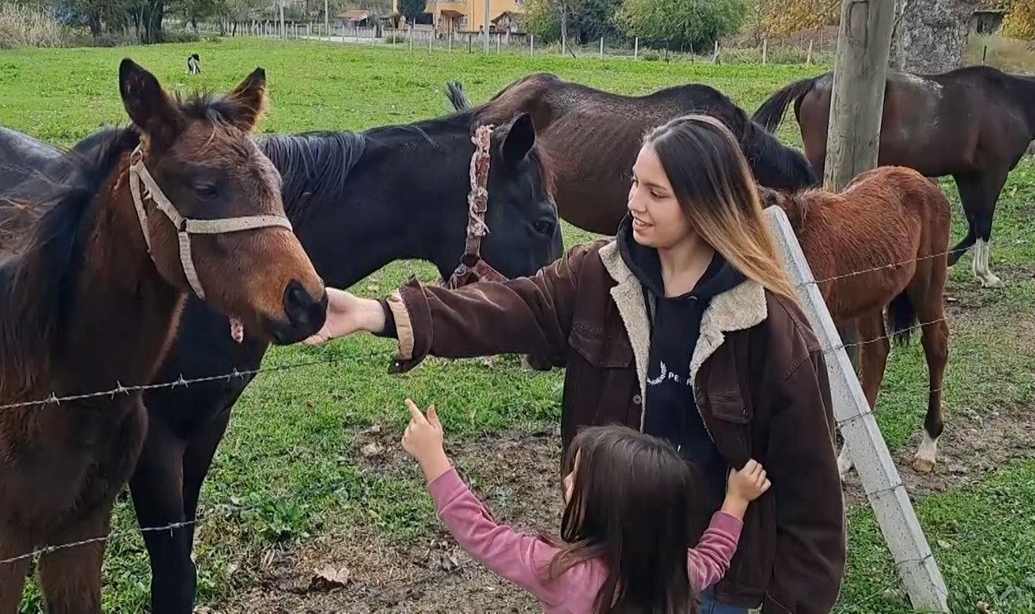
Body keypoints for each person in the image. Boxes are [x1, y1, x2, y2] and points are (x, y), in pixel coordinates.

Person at [305, 114, 846, 612]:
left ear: (705, 204)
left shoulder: (770, 329)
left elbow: (812, 507)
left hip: (709, 583)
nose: (634, 202)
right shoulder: (595, 276)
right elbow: (514, 307)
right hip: (611, 568)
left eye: (656, 193)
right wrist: (377, 313)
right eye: (635, 182)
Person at [401, 398, 772, 613]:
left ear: (608, 508)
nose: (565, 483)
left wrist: (433, 458)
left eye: (576, 480)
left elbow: (482, 534)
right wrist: (736, 499)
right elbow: (714, 559)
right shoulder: (674, 570)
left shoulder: (562, 572)